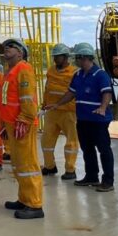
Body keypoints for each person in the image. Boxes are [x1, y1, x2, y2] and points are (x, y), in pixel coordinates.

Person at [45, 42, 115, 192]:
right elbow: (71, 93)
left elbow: (107, 93)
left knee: (104, 150)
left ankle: (108, 181)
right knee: (87, 149)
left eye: (77, 58)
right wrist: (57, 105)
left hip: (98, 120)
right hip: (83, 119)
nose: (75, 61)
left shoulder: (100, 75)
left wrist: (102, 108)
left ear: (84, 58)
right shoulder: (77, 75)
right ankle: (91, 176)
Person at [0, 38, 44, 219]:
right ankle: (24, 199)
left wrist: (24, 120)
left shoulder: (24, 70)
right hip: (12, 124)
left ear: (20, 53)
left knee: (28, 164)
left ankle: (35, 205)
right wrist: (5, 123)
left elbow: (27, 99)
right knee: (18, 164)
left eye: (12, 47)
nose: (7, 49)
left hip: (21, 124)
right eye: (6, 47)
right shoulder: (10, 71)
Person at [40, 43, 78, 180]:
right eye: (54, 57)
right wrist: (44, 104)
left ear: (66, 57)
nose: (55, 59)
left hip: (68, 112)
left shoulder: (74, 72)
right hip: (52, 111)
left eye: (58, 57)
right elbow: (47, 89)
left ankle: (70, 170)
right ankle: (49, 166)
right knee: (46, 141)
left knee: (71, 142)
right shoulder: (50, 71)